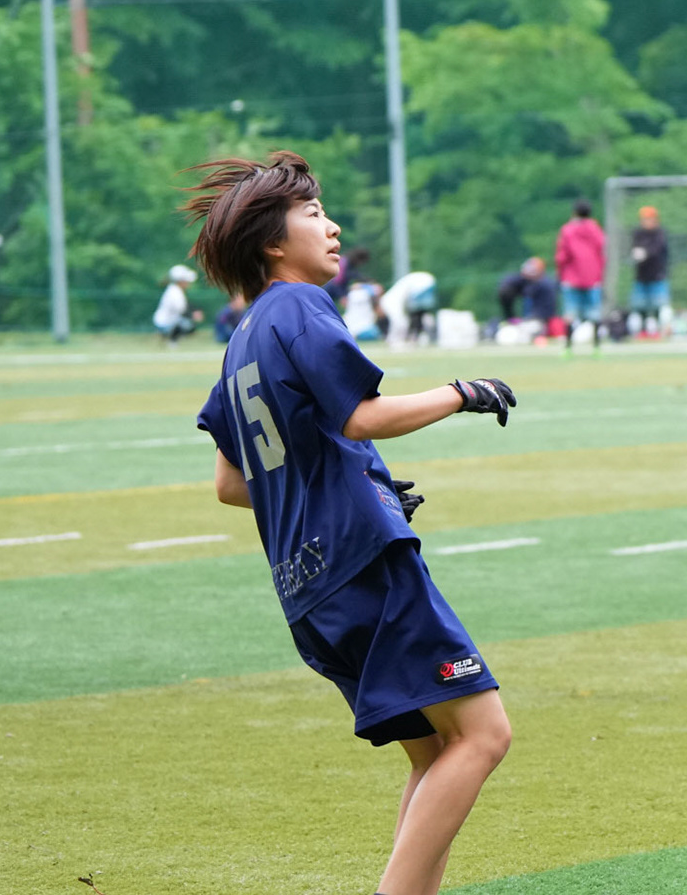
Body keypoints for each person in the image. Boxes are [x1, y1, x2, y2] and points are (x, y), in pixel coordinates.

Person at [180, 150, 517, 895]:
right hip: (363, 565)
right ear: (273, 242)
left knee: (435, 753)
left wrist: (359, 484)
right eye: (314, 215)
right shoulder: (299, 306)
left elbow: (232, 484)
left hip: (308, 587)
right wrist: (461, 392)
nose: (332, 228)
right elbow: (362, 415)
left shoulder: (240, 341)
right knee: (484, 736)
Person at [556, 200, 607, 352]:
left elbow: (562, 255)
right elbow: (602, 251)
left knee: (570, 314)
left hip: (572, 277)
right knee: (595, 314)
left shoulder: (568, 230)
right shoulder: (596, 229)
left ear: (574, 212)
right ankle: (597, 347)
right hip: (593, 277)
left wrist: (561, 272)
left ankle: (568, 348)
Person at [628, 206, 672, 339]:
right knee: (640, 306)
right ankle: (643, 330)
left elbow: (657, 250)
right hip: (641, 276)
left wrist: (645, 253)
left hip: (657, 275)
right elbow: (634, 247)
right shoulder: (638, 233)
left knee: (658, 305)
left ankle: (658, 330)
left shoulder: (660, 233)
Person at [153, 264, 203, 345]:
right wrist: (193, 315)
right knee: (188, 325)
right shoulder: (175, 292)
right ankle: (172, 342)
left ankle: (170, 338)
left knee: (187, 323)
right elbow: (181, 310)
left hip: (165, 322)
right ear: (180, 281)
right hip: (165, 323)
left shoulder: (175, 290)